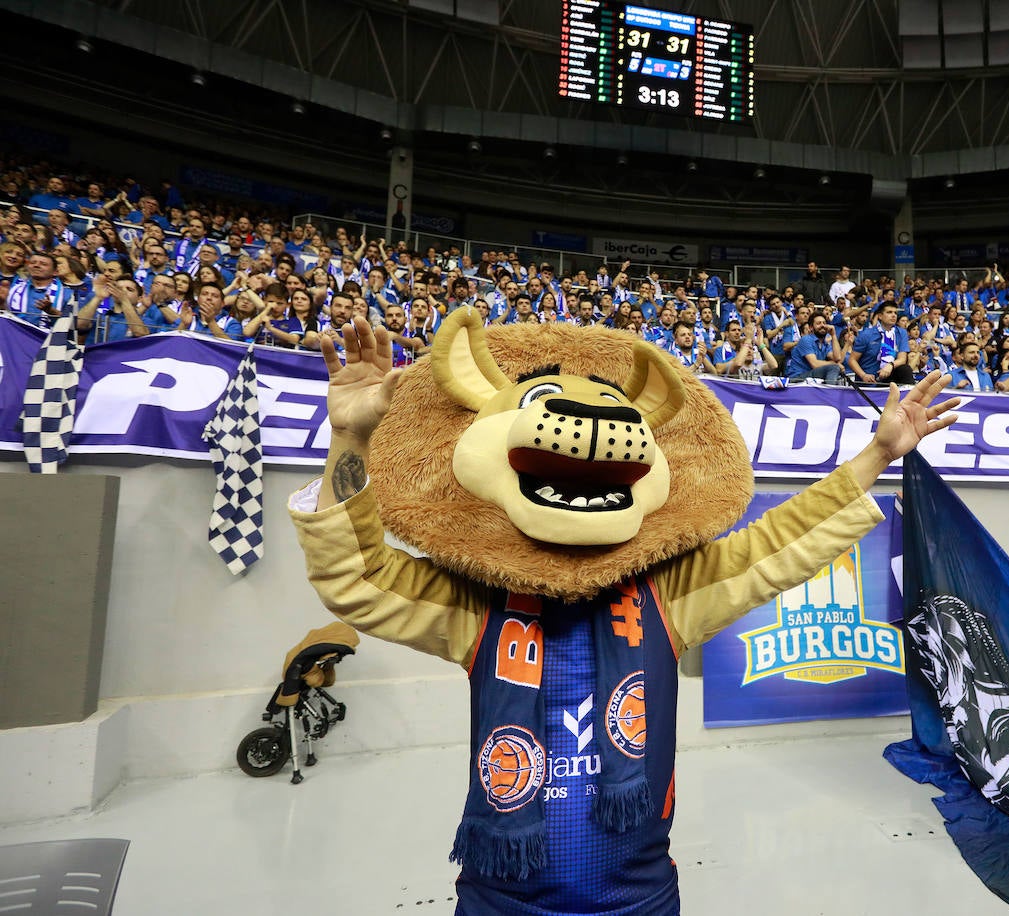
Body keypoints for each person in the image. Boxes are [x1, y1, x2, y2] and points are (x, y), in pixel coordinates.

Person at [290, 315, 958, 916]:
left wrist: (877, 456)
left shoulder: (669, 597)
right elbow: (357, 577)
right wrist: (350, 438)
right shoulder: (474, 607)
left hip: (637, 900)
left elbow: (777, 543)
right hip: (501, 901)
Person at [848, 302, 914, 385]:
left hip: (890, 376)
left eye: (895, 313)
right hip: (870, 379)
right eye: (889, 312)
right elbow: (852, 360)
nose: (893, 315)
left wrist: (890, 365)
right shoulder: (867, 334)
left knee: (905, 369)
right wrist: (863, 375)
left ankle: (911, 395)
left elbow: (902, 359)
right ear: (880, 316)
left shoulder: (901, 333)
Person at [787, 312, 844, 384]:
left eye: (824, 323)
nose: (822, 325)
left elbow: (837, 358)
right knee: (834, 368)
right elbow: (815, 364)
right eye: (818, 323)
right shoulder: (806, 339)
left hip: (812, 376)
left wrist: (833, 335)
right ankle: (829, 394)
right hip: (797, 378)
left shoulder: (824, 344)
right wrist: (834, 364)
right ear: (811, 327)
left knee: (837, 370)